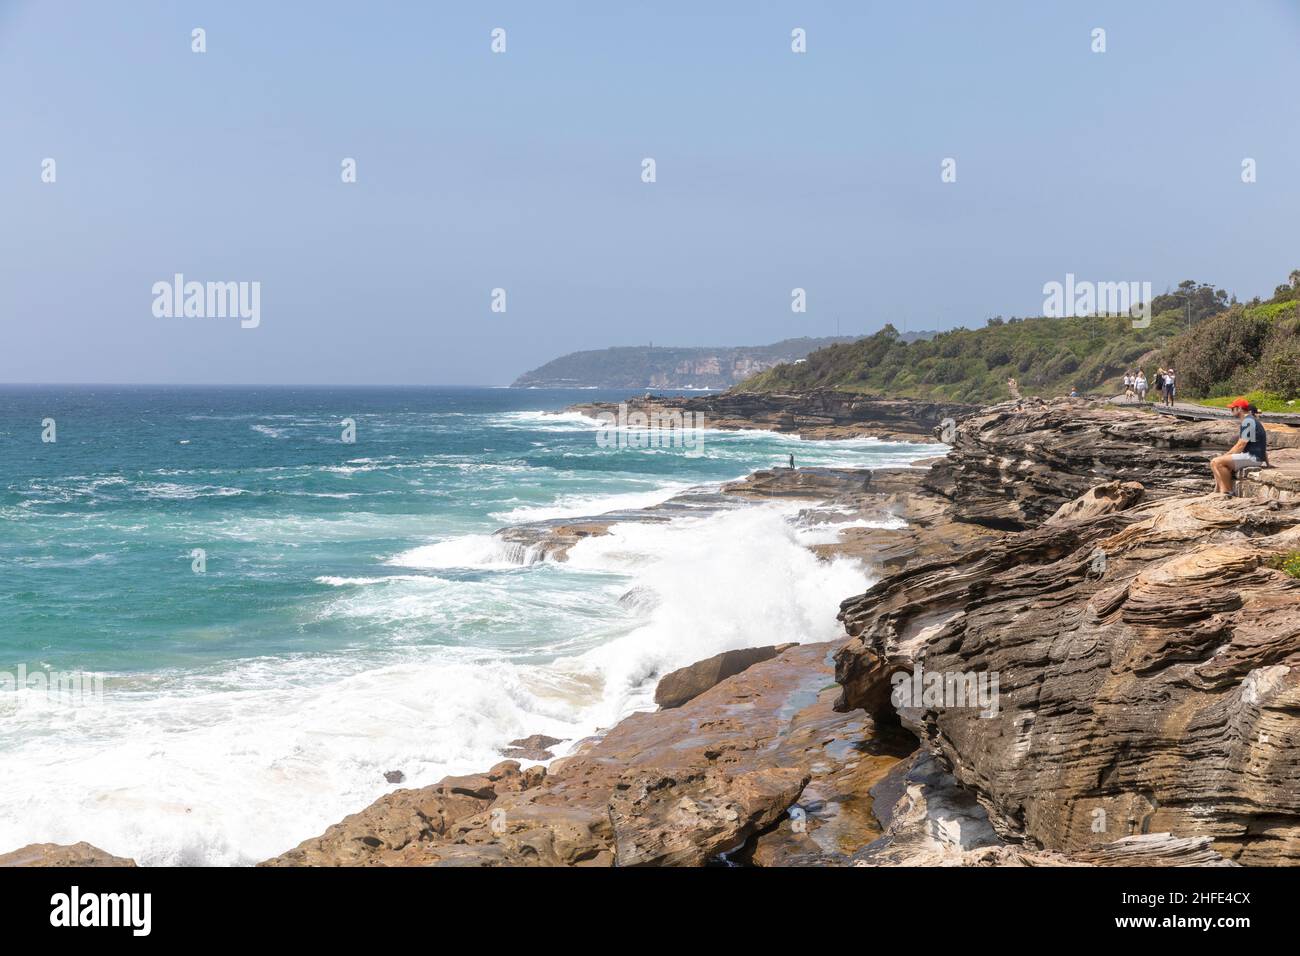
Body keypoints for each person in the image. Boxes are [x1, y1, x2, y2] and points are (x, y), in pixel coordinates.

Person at [1210, 399, 1268, 494]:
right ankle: (1219, 491)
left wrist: (1226, 455)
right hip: (1255, 457)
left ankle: (1227, 492)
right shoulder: (1251, 420)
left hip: (1252, 457)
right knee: (1214, 463)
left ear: (1239, 409)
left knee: (1217, 462)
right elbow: (1255, 443)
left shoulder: (1248, 421)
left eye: (1233, 408)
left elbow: (1241, 445)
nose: (1231, 411)